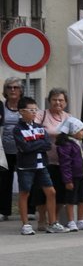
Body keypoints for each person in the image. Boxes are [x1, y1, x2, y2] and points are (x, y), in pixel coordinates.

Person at [40, 89, 83, 229]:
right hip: (47, 160)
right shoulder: (42, 115)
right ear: (49, 101)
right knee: (45, 192)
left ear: (66, 102)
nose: (58, 102)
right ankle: (43, 219)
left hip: (64, 163)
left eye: (61, 100)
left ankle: (55, 220)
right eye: (55, 99)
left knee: (61, 193)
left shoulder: (69, 117)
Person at [12, 98, 59, 235]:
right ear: (21, 112)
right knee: (24, 193)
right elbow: (25, 148)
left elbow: (48, 145)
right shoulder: (17, 129)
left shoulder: (40, 127)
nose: (34, 113)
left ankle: (53, 223)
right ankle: (25, 224)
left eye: (35, 110)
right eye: (31, 110)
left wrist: (34, 143)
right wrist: (37, 143)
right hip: (26, 166)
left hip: (42, 165)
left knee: (51, 192)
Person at [55, 130, 83, 230]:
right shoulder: (67, 145)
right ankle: (71, 221)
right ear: (73, 132)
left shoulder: (81, 144)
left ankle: (81, 220)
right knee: (70, 199)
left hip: (82, 175)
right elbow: (65, 164)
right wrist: (68, 180)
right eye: (81, 130)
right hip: (73, 177)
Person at [1, 77, 24, 221]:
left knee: (26, 179)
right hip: (4, 150)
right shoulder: (1, 106)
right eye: (9, 87)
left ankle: (29, 210)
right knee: (4, 181)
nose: (12, 90)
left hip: (23, 149)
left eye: (15, 87)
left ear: (21, 90)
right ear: (5, 90)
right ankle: (4, 211)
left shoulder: (26, 105)